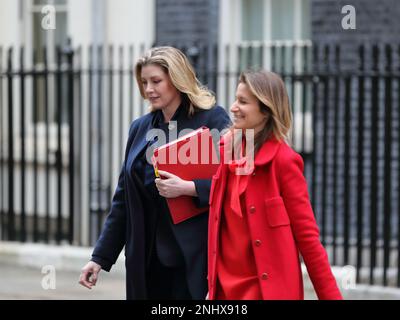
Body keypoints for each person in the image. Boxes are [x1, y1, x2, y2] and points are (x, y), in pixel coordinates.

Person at [79, 46, 231, 300]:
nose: (149, 89)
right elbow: (123, 200)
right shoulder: (140, 128)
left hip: (195, 258)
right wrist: (99, 258)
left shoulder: (213, 120)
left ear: (177, 79)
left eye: (156, 81)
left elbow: (232, 184)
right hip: (147, 259)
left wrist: (190, 188)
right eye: (144, 82)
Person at [207, 70, 343, 300]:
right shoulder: (225, 152)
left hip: (266, 293)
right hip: (223, 293)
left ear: (266, 110)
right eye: (235, 99)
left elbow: (308, 239)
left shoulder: (284, 161)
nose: (232, 107)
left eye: (243, 101)